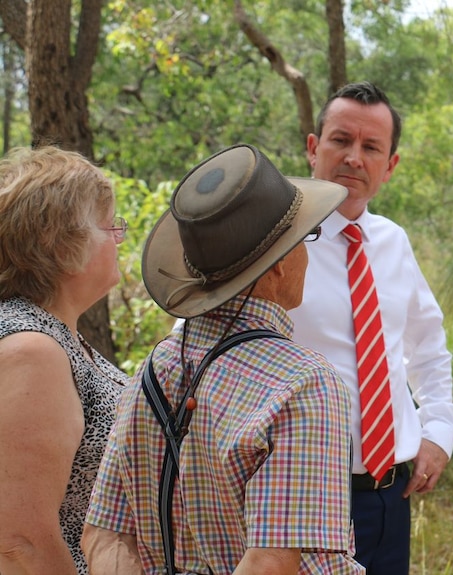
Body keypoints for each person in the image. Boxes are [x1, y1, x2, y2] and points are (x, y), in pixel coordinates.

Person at [82, 144, 364, 575]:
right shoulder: (304, 384)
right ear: (279, 264)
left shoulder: (154, 369)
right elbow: (269, 565)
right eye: (306, 237)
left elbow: (105, 536)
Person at [289, 81, 453, 574]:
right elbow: (198, 344)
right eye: (340, 140)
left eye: (371, 148)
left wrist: (439, 430)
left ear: (390, 166)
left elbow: (427, 345)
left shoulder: (391, 242)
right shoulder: (272, 240)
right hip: (295, 500)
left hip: (387, 499)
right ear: (312, 148)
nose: (354, 158)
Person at [0, 146, 128, 575]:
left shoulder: (56, 336)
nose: (119, 237)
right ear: (61, 243)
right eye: (110, 226)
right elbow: (18, 543)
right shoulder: (31, 349)